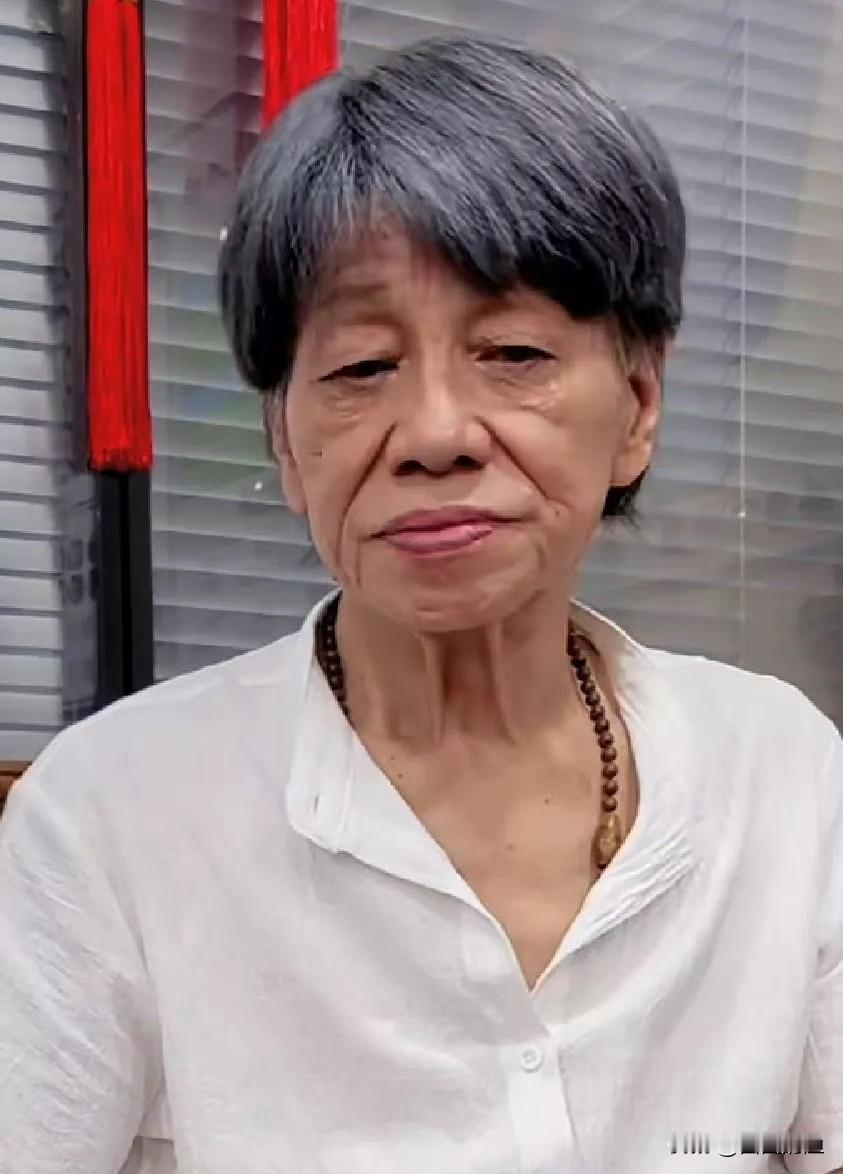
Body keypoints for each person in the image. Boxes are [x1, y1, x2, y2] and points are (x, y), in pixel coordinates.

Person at [0, 36, 840, 1174]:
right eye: (361, 368)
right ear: (284, 442)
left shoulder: (783, 773)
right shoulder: (111, 818)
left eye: (513, 351)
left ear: (638, 404)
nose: (437, 435)